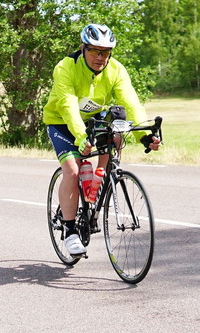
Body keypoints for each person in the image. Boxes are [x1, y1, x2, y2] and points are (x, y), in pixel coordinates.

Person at [42, 23, 161, 257]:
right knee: (73, 170)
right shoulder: (65, 67)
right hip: (62, 121)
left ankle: (97, 187)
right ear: (83, 48)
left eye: (105, 52)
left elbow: (132, 103)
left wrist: (144, 136)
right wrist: (80, 137)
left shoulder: (116, 70)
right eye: (95, 51)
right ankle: (69, 230)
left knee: (117, 126)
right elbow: (68, 106)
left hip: (93, 118)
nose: (100, 57)